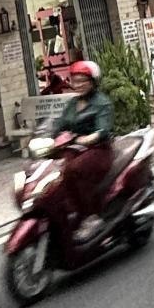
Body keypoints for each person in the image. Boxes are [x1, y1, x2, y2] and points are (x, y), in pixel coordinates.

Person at [53, 60, 115, 238]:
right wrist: (49, 137)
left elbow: (103, 130)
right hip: (75, 148)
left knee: (75, 170)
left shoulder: (102, 103)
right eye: (75, 81)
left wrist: (88, 139)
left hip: (99, 150)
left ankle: (91, 216)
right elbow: (60, 124)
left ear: (93, 82)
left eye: (83, 81)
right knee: (54, 172)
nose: (78, 85)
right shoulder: (72, 103)